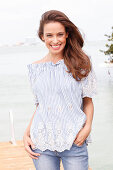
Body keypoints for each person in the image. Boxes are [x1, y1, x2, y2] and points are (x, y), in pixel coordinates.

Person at [23, 10, 97, 170]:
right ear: (42, 36)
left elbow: (88, 101)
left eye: (59, 34)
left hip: (74, 141)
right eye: (49, 35)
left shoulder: (82, 63)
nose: (55, 40)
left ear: (67, 35)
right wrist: (26, 133)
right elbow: (40, 106)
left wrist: (87, 127)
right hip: (41, 143)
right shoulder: (35, 69)